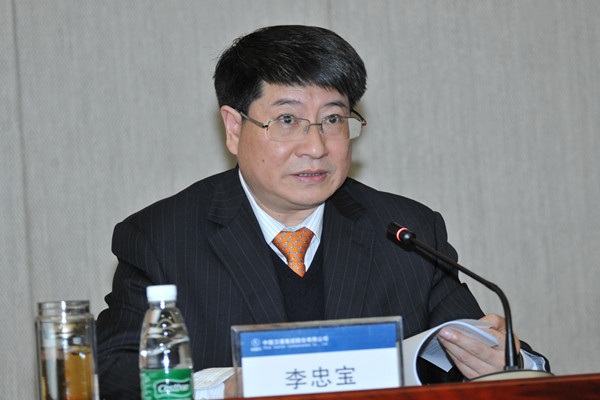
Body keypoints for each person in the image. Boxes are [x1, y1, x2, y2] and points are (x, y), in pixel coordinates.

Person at [96, 25, 548, 399]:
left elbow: (482, 345)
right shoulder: (160, 238)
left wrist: (509, 362)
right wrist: (219, 390)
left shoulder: (405, 232)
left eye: (333, 119)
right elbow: (116, 377)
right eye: (287, 120)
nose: (315, 147)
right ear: (234, 128)